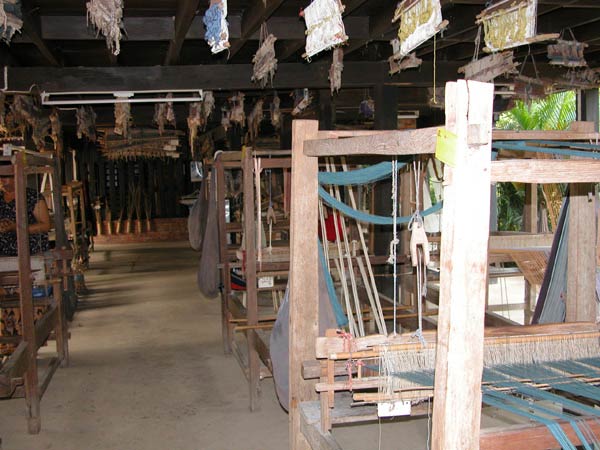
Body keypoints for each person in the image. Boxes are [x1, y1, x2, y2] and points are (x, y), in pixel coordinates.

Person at [0, 171, 51, 256]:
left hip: (30, 251)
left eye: (4, 177)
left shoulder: (32, 196)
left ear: (15, 177)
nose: (1, 180)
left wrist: (16, 228)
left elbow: (45, 226)